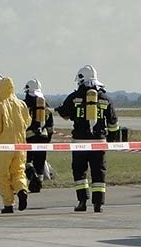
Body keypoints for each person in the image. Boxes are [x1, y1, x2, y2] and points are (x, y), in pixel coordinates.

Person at [55, 64, 119, 213]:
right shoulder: (105, 98)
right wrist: (110, 140)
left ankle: (82, 202)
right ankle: (98, 204)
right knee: (99, 172)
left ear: (81, 79)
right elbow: (113, 123)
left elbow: (65, 114)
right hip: (99, 142)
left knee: (79, 171)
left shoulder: (74, 97)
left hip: (79, 142)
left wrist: (60, 109)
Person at [0, 76, 31, 213]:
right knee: (18, 172)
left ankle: (8, 204)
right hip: (20, 146)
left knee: (3, 175)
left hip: (4, 147)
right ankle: (22, 190)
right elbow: (27, 123)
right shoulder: (21, 104)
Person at [23, 78, 54, 193]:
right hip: (44, 137)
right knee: (40, 162)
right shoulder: (46, 104)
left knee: (26, 161)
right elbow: (50, 126)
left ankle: (32, 176)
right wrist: (48, 139)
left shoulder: (24, 104)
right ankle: (38, 183)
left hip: (29, 137)